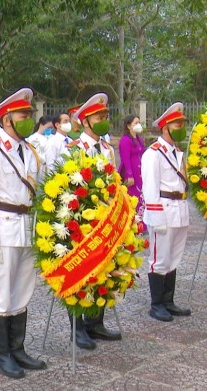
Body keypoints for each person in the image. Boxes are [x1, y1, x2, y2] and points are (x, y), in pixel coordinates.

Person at [0, 87, 46, 379]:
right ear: (6, 120)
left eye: (30, 114)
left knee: (22, 291)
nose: (29, 119)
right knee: (1, 294)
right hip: (3, 230)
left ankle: (17, 349)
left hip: (27, 229)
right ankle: (2, 355)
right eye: (23, 115)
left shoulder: (29, 151)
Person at [67, 93, 121, 347]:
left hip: (104, 220)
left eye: (105, 116)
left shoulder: (108, 149)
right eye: (99, 117)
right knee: (80, 273)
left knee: (103, 271)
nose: (103, 121)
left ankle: (96, 322)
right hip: (82, 221)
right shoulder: (75, 149)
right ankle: (78, 328)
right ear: (85, 122)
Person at [142, 102, 192, 322]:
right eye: (177, 124)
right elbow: (150, 187)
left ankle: (169, 301)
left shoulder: (176, 152)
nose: (181, 127)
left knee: (174, 258)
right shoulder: (153, 153)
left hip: (179, 209)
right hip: (162, 210)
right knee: (159, 259)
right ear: (165, 127)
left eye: (182, 123)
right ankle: (157, 304)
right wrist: (155, 216)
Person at [118, 114, 146, 215]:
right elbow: (125, 159)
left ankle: (143, 223)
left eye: (139, 123)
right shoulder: (125, 140)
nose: (138, 125)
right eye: (136, 123)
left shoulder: (139, 139)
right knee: (133, 197)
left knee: (141, 196)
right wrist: (129, 175)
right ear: (129, 126)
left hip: (140, 172)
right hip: (131, 171)